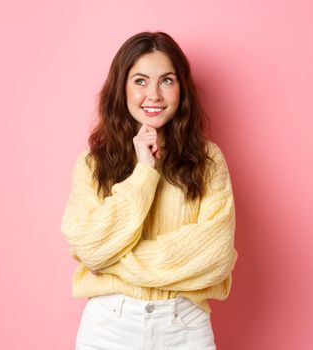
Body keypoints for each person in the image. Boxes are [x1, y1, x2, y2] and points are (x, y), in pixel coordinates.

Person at [60, 31, 237, 350]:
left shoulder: (208, 161)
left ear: (181, 89)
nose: (153, 94)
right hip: (108, 327)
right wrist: (144, 173)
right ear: (122, 88)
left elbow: (216, 254)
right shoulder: (92, 163)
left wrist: (113, 260)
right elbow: (90, 247)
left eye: (167, 80)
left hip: (184, 327)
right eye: (140, 81)